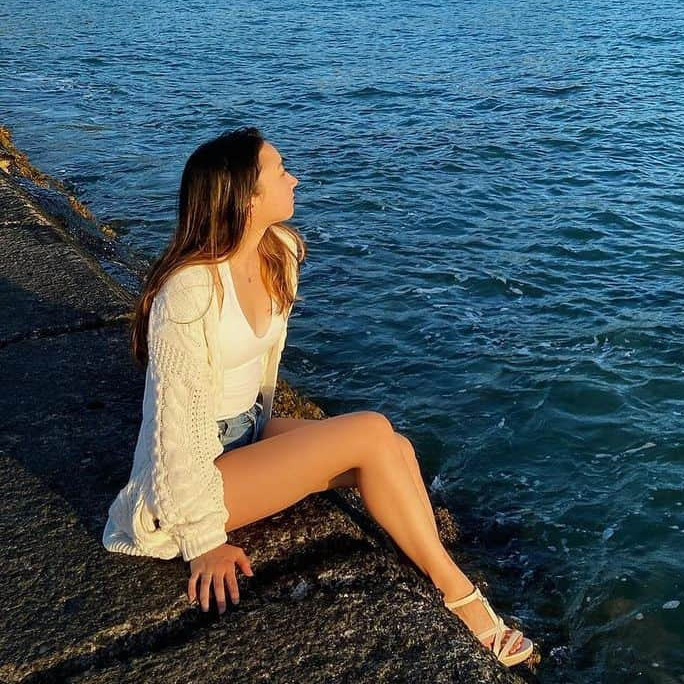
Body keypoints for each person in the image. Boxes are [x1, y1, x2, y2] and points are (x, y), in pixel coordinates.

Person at [102, 128, 533, 668]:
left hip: (249, 430)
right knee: (371, 430)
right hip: (196, 471)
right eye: (280, 170)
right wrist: (205, 540)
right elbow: (169, 427)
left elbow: (259, 377)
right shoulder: (188, 291)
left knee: (392, 447)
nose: (295, 177)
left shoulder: (276, 252)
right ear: (246, 196)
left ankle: (433, 561)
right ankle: (459, 594)